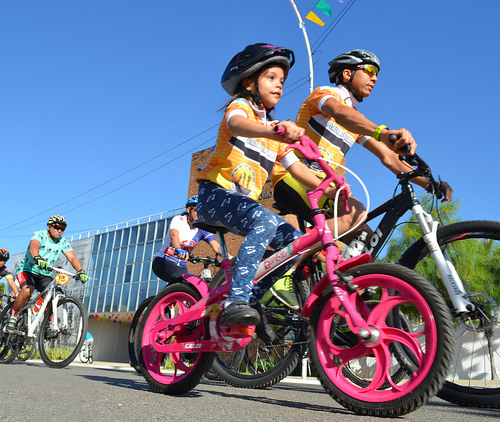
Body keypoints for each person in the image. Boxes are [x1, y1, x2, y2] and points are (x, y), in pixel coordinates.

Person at [195, 43, 331, 327]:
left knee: (295, 243)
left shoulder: (273, 131)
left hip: (242, 206)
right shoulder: (242, 107)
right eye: (271, 78)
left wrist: (330, 185)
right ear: (249, 81)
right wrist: (275, 129)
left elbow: (296, 168)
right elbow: (236, 125)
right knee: (265, 220)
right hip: (214, 195)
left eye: (282, 81)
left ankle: (252, 295)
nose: (279, 85)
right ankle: (237, 300)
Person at [272, 49, 453, 244]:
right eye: (369, 70)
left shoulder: (357, 121)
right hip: (291, 175)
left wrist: (428, 183)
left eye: (377, 75)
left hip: (325, 188)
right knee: (356, 212)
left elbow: (388, 157)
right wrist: (382, 132)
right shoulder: (325, 94)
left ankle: (312, 266)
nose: (374, 79)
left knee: (366, 243)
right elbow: (339, 112)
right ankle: (289, 257)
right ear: (347, 73)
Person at [5, 215, 88, 332]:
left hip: (44, 274)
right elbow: (34, 246)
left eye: (62, 229)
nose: (59, 230)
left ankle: (47, 324)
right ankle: (13, 316)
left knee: (55, 295)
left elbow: (72, 257)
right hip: (27, 269)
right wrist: (37, 257)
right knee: (28, 290)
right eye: (56, 227)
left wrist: (80, 271)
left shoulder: (63, 242)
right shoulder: (39, 235)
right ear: (49, 226)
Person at [152, 196, 222, 284]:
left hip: (181, 265)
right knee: (181, 282)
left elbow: (216, 247)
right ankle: (163, 297)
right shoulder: (179, 220)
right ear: (189, 210)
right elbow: (174, 235)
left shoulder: (202, 229)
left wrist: (232, 259)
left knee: (193, 286)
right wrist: (178, 248)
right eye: (197, 210)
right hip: (164, 261)